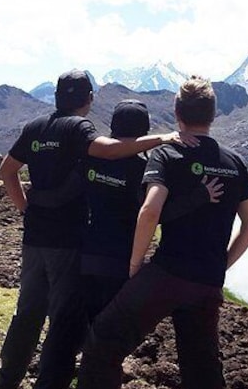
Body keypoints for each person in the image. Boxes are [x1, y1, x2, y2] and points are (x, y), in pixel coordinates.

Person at [0, 70, 196, 389]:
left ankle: (9, 388)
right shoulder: (81, 132)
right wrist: (163, 139)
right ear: (87, 99)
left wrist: (28, 209)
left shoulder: (37, 128)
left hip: (39, 240)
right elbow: (116, 155)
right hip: (74, 246)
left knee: (30, 313)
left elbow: (7, 171)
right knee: (70, 326)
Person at [74, 77, 248, 389]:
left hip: (166, 273)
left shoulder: (167, 154)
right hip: (207, 282)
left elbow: (149, 211)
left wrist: (134, 264)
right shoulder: (234, 162)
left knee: (103, 343)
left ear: (177, 113)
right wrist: (220, 266)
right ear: (213, 114)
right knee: (202, 368)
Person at [28, 99, 224, 323]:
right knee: (105, 332)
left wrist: (31, 198)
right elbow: (155, 214)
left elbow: (61, 196)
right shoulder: (144, 170)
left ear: (113, 126)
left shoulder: (91, 162)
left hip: (87, 256)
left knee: (72, 327)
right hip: (123, 262)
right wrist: (199, 196)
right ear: (144, 130)